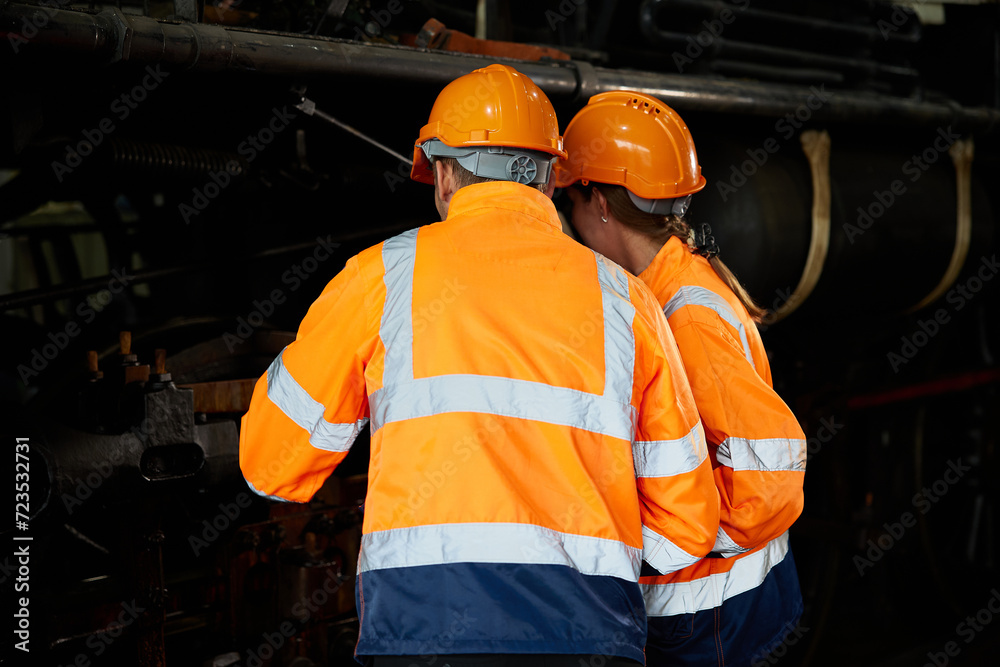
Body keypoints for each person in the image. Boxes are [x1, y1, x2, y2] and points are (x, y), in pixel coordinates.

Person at [239, 65, 721, 666]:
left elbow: (270, 466)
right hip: (588, 638)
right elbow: (686, 530)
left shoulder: (380, 277)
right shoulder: (626, 301)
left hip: (423, 632)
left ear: (442, 174)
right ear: (550, 181)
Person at [555, 91, 808, 667]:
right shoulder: (666, 285)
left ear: (596, 200)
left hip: (712, 614)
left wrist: (665, 548)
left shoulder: (682, 316)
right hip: (720, 607)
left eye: (569, 202)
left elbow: (769, 469)